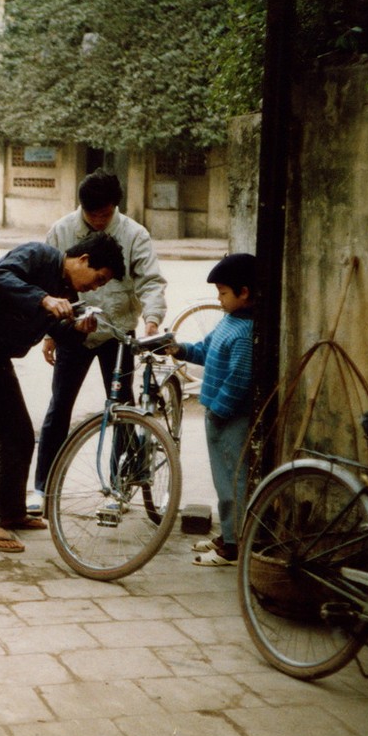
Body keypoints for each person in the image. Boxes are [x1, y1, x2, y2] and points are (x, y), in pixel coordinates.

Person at [0, 232, 126, 554]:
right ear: (84, 260)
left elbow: (54, 330)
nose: (95, 288)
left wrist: (74, 329)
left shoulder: (67, 292)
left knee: (19, 435)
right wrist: (44, 299)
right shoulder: (37, 255)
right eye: (98, 279)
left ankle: (12, 512)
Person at [31, 169, 168, 516]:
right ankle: (42, 488)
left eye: (104, 215)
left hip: (118, 332)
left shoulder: (135, 234)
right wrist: (50, 333)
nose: (97, 221)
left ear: (115, 207)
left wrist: (152, 320)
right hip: (73, 331)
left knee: (122, 409)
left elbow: (150, 281)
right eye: (91, 215)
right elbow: (47, 285)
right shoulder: (62, 230)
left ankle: (119, 487)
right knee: (59, 407)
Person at [164, 253, 256, 567]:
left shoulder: (245, 333)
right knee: (223, 480)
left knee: (233, 481)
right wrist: (180, 349)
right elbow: (205, 350)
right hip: (218, 414)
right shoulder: (229, 321)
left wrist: (218, 410)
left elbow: (239, 379)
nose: (219, 299)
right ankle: (229, 534)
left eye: (223, 293)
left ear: (244, 293)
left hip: (229, 417)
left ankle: (234, 547)